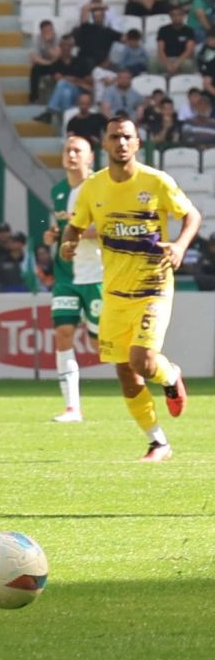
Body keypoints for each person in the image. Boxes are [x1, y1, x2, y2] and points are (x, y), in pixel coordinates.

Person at [61, 116, 201, 460]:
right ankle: (158, 441)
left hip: (153, 286)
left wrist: (180, 246)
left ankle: (170, 375)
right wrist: (68, 243)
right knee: (125, 370)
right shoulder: (92, 188)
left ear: (137, 143)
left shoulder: (156, 182)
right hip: (114, 293)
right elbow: (76, 226)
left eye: (127, 137)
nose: (121, 143)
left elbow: (192, 216)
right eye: (115, 137)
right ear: (104, 144)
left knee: (142, 360)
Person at [43, 136, 103, 423]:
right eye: (67, 150)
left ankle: (154, 371)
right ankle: (72, 407)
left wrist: (75, 231)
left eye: (78, 150)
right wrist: (53, 235)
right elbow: (58, 227)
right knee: (62, 333)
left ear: (90, 158)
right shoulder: (57, 191)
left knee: (99, 346)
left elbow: (107, 229)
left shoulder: (101, 186)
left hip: (96, 275)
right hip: (66, 275)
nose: (71, 155)